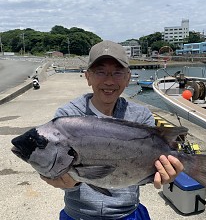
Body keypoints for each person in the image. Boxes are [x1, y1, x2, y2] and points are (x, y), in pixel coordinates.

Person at [41, 40, 184, 220]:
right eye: (100, 72)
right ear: (88, 76)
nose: (109, 81)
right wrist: (69, 182)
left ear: (128, 77)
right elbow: (59, 168)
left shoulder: (141, 116)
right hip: (79, 215)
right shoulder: (67, 117)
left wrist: (166, 172)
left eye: (117, 72)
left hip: (128, 212)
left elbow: (148, 170)